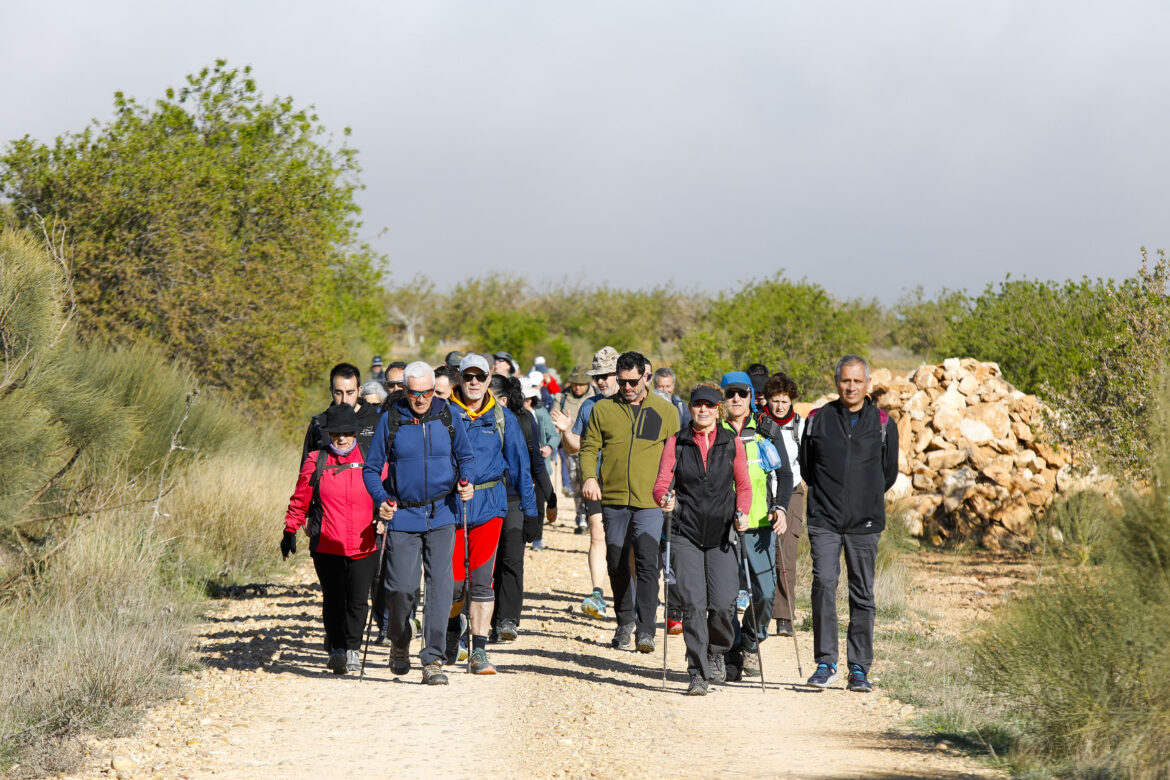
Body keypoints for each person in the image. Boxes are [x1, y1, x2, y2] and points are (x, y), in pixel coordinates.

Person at [361, 362, 476, 686]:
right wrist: (382, 499)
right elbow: (371, 470)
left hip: (442, 513)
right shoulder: (392, 419)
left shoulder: (448, 416)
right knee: (400, 589)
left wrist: (466, 480)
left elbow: (466, 457)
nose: (422, 399)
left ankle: (433, 659)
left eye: (427, 392)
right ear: (405, 390)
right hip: (403, 515)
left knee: (440, 587)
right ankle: (399, 642)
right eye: (415, 393)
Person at [800, 355, 898, 692]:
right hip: (824, 519)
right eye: (846, 380)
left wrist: (863, 497)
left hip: (864, 522)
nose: (851, 387)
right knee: (824, 584)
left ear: (868, 383)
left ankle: (858, 668)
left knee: (862, 593)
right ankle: (825, 663)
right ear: (836, 382)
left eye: (857, 381)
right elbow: (807, 468)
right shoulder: (817, 420)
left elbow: (888, 474)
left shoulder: (883, 423)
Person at [653, 384, 752, 695]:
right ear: (691, 408)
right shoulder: (677, 442)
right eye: (698, 404)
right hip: (686, 533)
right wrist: (664, 499)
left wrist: (743, 512)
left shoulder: (732, 442)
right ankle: (697, 672)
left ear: (718, 409)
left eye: (709, 405)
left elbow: (743, 485)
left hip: (722, 534)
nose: (703, 410)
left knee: (723, 604)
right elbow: (662, 482)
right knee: (693, 605)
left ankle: (716, 650)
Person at [580, 351, 679, 652]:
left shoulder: (666, 411)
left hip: (650, 502)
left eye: (633, 381)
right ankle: (625, 622)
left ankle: (646, 630)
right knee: (617, 562)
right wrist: (589, 477)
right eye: (622, 381)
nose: (626, 387)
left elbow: (675, 456)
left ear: (645, 376)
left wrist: (672, 491)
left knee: (648, 563)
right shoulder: (603, 409)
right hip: (613, 500)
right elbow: (589, 447)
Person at [447, 355, 537, 673]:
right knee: (454, 584)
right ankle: (451, 631)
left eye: (479, 377)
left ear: (488, 379)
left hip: (489, 507)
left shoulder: (501, 417)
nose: (473, 382)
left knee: (482, 581)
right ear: (459, 379)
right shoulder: (443, 413)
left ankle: (479, 651)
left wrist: (530, 511)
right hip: (450, 508)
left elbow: (521, 464)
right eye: (468, 376)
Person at [283, 404, 385, 675]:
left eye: (347, 433)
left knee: (358, 600)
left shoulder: (372, 458)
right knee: (334, 599)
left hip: (365, 543)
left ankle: (353, 649)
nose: (342, 438)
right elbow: (300, 498)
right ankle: (337, 649)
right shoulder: (315, 460)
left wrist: (386, 514)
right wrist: (290, 530)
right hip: (327, 543)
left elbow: (387, 492)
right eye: (336, 433)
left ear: (355, 433)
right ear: (328, 434)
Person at [719, 371, 792, 678]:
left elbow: (785, 474)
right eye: (730, 393)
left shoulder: (766, 428)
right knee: (722, 597)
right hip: (721, 523)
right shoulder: (714, 429)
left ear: (751, 396)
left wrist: (781, 508)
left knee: (765, 593)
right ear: (723, 398)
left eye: (742, 393)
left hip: (760, 523)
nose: (736, 398)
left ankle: (751, 639)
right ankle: (730, 650)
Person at [549, 346, 619, 618]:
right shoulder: (589, 406)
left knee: (629, 545)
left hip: (627, 485)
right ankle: (597, 593)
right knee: (597, 535)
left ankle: (633, 598)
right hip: (596, 483)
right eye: (597, 376)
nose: (601, 381)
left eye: (606, 375)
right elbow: (575, 446)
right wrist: (566, 431)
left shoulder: (633, 404)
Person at [757, 372, 806, 639]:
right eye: (775, 400)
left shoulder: (800, 426)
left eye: (784, 401)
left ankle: (784, 616)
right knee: (760, 551)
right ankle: (759, 611)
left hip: (792, 491)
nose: (779, 406)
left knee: (786, 554)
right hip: (762, 491)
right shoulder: (757, 423)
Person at [301, 363, 381, 462]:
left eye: (350, 392)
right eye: (338, 393)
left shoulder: (377, 420)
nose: (344, 400)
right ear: (331, 391)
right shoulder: (319, 424)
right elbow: (307, 466)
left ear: (359, 390)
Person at [520, 376, 560, 550]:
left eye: (528, 398)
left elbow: (554, 435)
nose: (525, 401)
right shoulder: (512, 415)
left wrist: (549, 447)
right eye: (522, 398)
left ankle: (538, 538)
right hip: (522, 466)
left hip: (539, 464)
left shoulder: (541, 413)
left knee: (539, 502)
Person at [553, 366, 593, 534]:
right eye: (575, 383)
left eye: (582, 384)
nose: (578, 387)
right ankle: (581, 518)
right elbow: (554, 420)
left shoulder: (596, 397)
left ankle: (592, 516)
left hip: (591, 449)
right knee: (576, 484)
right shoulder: (562, 397)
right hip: (570, 449)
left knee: (590, 482)